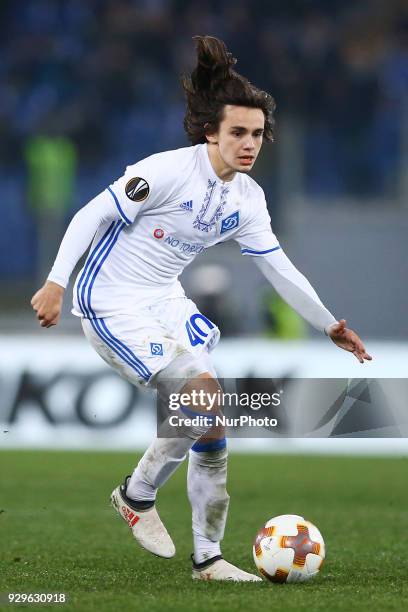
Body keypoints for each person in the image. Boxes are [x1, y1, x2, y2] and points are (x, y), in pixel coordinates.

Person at [31, 35, 372, 582]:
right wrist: (55, 282)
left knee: (211, 427)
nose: (249, 143)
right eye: (238, 132)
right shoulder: (166, 171)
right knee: (203, 400)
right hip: (112, 302)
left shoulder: (248, 199)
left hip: (166, 300)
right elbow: (90, 215)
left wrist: (329, 323)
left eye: (257, 134)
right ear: (211, 131)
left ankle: (202, 553)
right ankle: (141, 497)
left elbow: (280, 268)